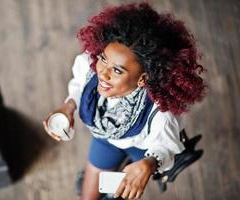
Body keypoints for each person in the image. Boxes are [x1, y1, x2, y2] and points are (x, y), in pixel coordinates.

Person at [43, 2, 205, 200]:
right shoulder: (89, 66)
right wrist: (69, 106)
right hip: (105, 140)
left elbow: (164, 147)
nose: (102, 73)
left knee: (121, 190)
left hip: (142, 150)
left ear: (142, 79)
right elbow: (79, 85)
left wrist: (150, 163)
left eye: (118, 70)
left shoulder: (159, 114)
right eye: (103, 58)